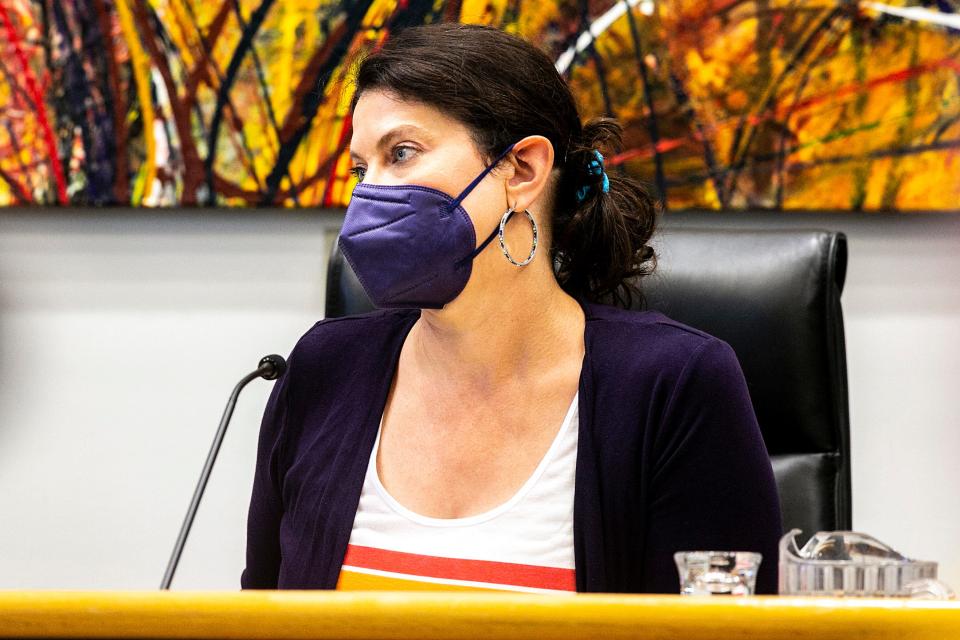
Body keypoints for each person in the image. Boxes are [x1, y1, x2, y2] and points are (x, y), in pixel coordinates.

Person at [241, 22, 781, 594]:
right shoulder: (323, 369)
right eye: (359, 169)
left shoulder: (674, 386)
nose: (367, 195)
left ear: (522, 171)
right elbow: (262, 619)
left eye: (401, 154)